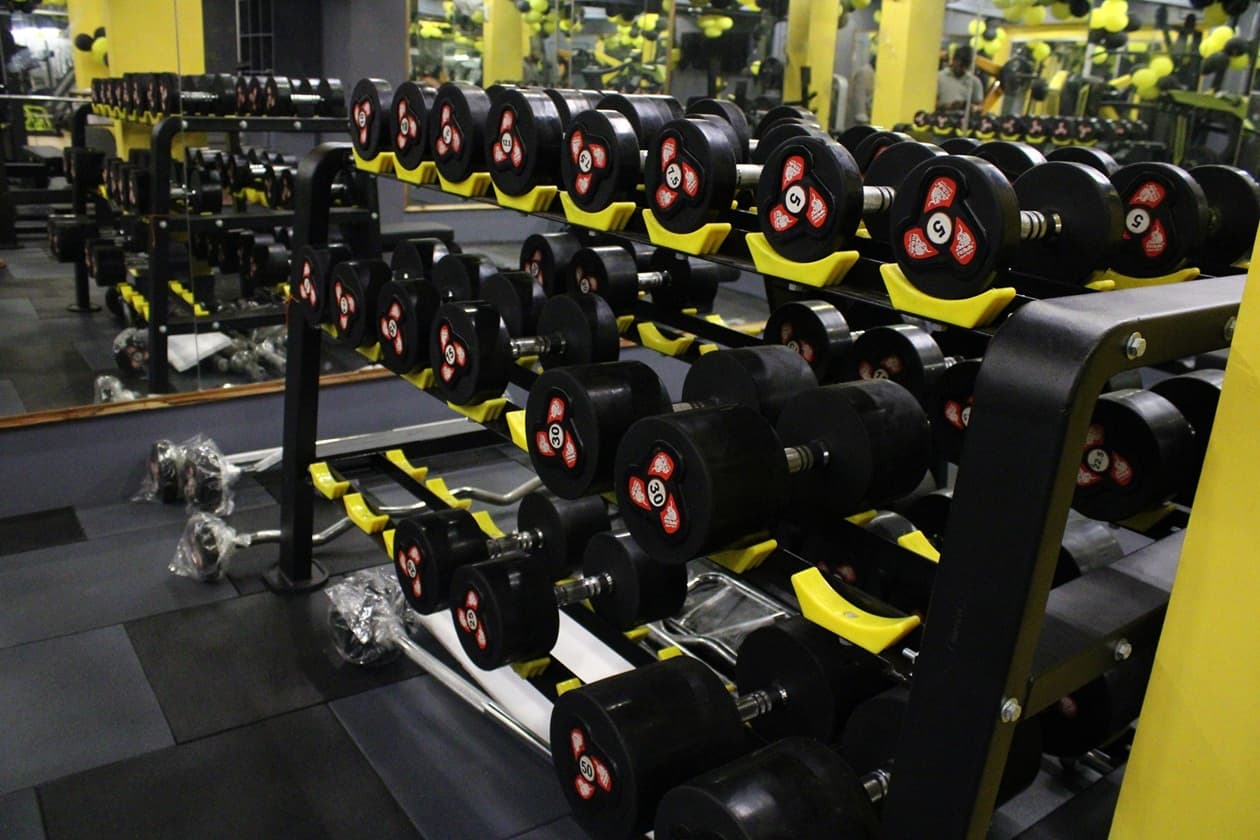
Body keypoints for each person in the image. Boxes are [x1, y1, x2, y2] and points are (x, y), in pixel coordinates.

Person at [937, 45, 984, 111]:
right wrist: (946, 106)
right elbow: (930, 101)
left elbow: (980, 107)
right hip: (939, 117)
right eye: (959, 65)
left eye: (965, 66)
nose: (961, 69)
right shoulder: (939, 77)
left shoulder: (975, 82)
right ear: (953, 60)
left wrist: (969, 107)